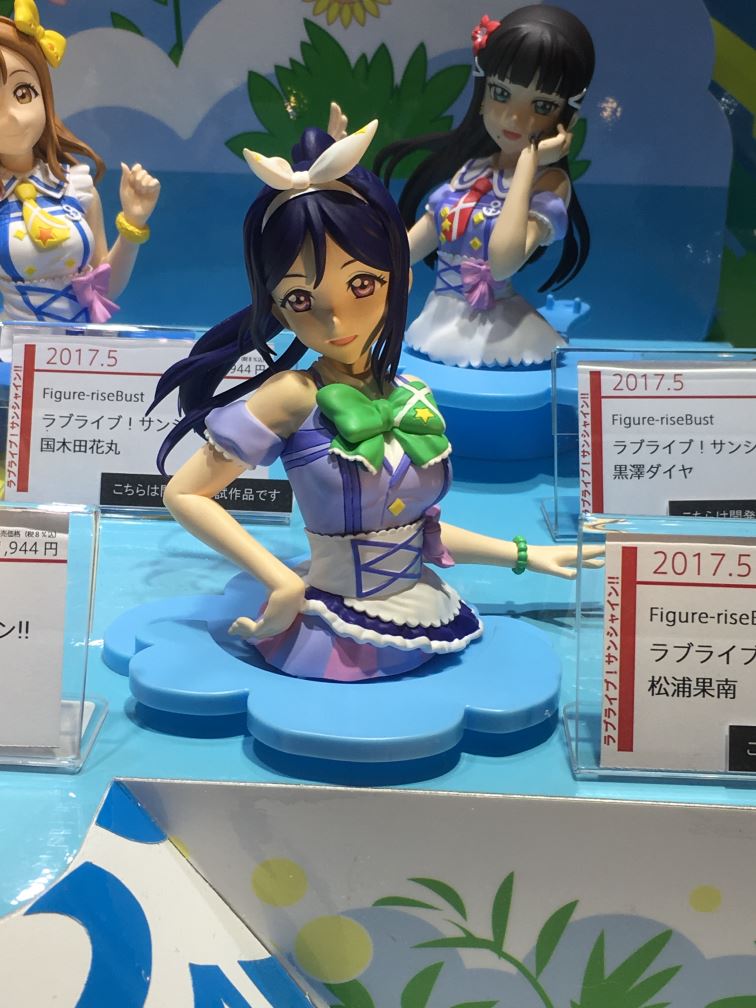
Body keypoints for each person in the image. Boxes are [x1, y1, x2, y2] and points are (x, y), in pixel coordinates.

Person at [152, 121, 602, 683]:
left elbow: (418, 535)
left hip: (419, 614)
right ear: (278, 308)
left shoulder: (410, 393)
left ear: (399, 280)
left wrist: (525, 555)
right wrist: (281, 579)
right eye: (301, 298)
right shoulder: (293, 396)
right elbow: (184, 492)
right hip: (327, 633)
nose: (335, 318)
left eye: (361, 284)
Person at [375, 5, 595, 368]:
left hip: (500, 336)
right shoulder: (470, 171)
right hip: (436, 325)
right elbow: (403, 252)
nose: (515, 117)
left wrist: (529, 161)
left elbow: (504, 262)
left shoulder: (549, 182)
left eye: (542, 105)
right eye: (501, 93)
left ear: (567, 117)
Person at [0, 0, 159, 324]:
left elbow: (105, 287)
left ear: (45, 96)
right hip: (14, 348)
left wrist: (133, 224)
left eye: (24, 93)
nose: (13, 116)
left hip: (82, 346)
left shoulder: (75, 186)